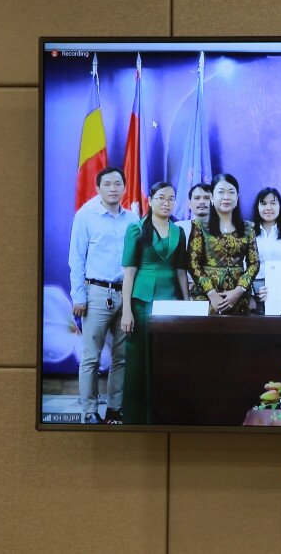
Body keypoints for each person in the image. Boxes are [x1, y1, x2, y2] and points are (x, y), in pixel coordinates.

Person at [68, 167, 139, 425]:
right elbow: (76, 259)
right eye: (107, 184)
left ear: (124, 187)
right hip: (96, 292)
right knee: (91, 356)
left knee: (122, 356)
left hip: (126, 294)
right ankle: (89, 411)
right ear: (98, 188)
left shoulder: (132, 219)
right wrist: (79, 296)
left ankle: (114, 410)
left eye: (117, 183)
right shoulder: (85, 216)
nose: (112, 188)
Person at [120, 181, 191, 425]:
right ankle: (137, 418)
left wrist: (187, 303)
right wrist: (126, 311)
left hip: (171, 302)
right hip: (141, 303)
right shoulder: (136, 229)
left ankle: (164, 415)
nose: (166, 202)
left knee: (167, 359)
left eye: (171, 198)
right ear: (150, 200)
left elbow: (181, 271)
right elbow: (129, 273)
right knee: (139, 361)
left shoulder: (179, 232)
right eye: (161, 197)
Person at [188, 173, 259, 314]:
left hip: (238, 299)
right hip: (207, 299)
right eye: (221, 192)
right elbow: (192, 263)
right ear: (212, 198)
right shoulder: (199, 226)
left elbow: (254, 263)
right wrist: (211, 293)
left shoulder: (248, 228)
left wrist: (239, 291)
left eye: (231, 192)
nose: (226, 197)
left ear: (237, 198)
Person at [176, 182, 212, 249]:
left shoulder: (224, 230)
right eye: (197, 198)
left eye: (207, 198)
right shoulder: (178, 228)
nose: (201, 202)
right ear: (189, 204)